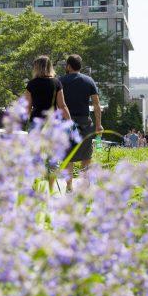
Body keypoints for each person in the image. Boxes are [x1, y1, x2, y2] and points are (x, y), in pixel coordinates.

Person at [59, 54, 103, 192]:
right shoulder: (89, 80)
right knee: (86, 155)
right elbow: (96, 105)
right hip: (85, 123)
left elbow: (57, 104)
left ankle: (69, 186)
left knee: (68, 156)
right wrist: (98, 124)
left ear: (68, 66)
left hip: (67, 122)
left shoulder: (60, 81)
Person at [24, 55, 71, 130]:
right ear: (50, 67)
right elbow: (62, 106)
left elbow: (27, 106)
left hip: (36, 122)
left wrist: (28, 121)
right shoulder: (56, 83)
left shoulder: (31, 84)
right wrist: (69, 122)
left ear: (36, 68)